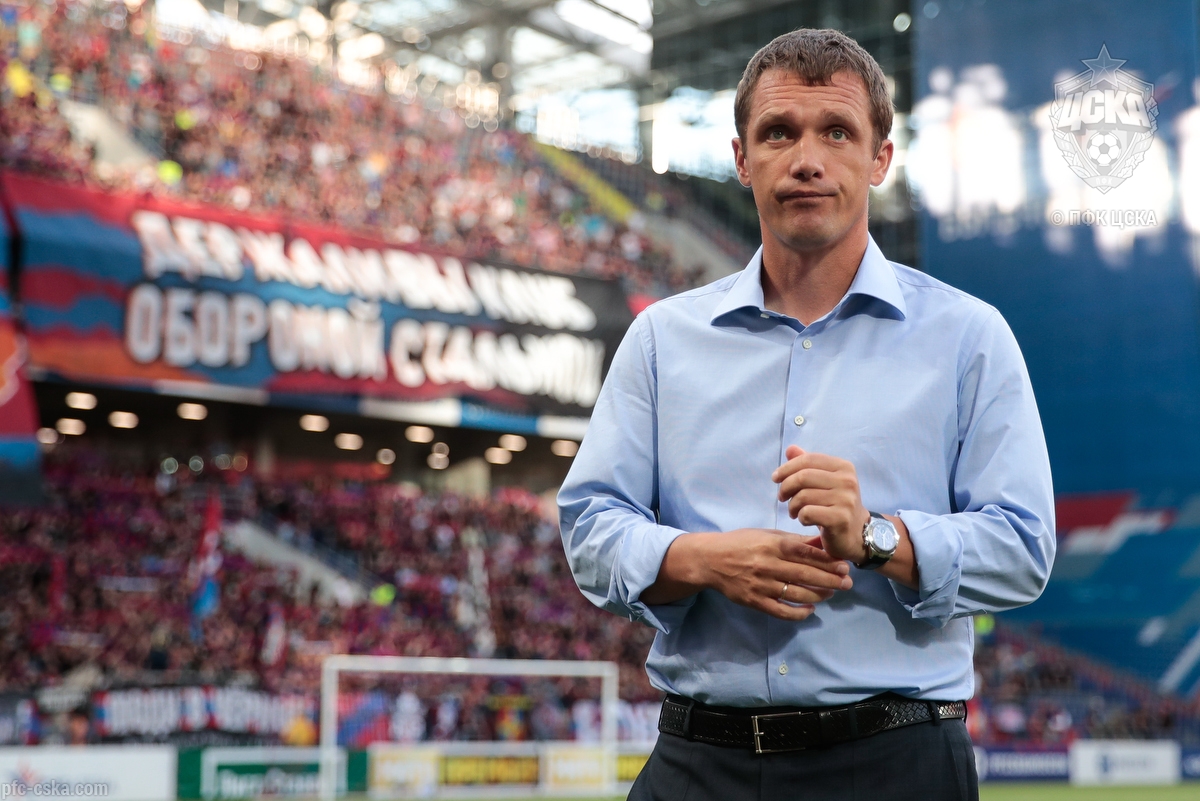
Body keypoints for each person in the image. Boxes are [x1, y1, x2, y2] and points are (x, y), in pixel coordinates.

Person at [557, 28, 1055, 801]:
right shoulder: (662, 339)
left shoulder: (968, 337)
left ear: (880, 158)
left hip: (897, 767)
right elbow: (590, 525)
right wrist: (700, 559)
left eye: (837, 132)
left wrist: (879, 537)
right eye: (779, 132)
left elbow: (1024, 546)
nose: (807, 159)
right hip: (699, 763)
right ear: (741, 158)